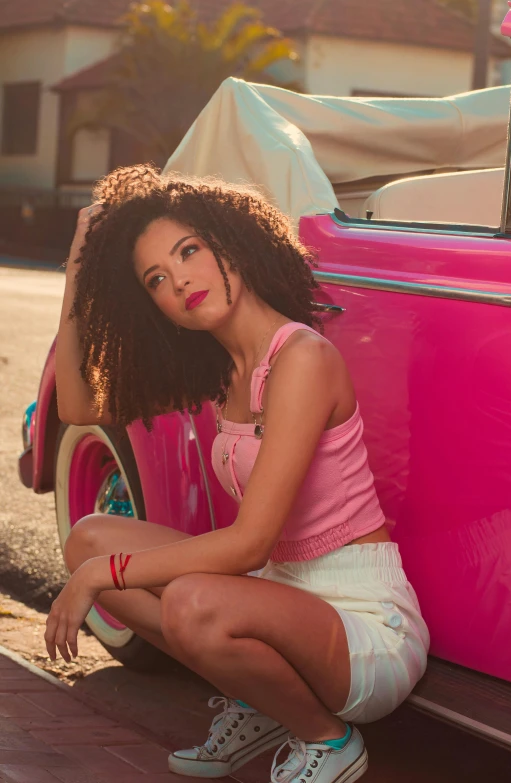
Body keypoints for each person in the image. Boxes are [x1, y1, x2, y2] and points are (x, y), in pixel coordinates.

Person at [46, 164, 430, 783]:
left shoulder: (301, 358)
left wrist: (101, 577)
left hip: (363, 627)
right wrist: (76, 281)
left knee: (189, 600)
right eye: (157, 279)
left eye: (189, 250)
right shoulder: (221, 370)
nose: (181, 281)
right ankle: (263, 701)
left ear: (231, 239)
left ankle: (329, 742)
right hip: (280, 597)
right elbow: (78, 408)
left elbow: (249, 544)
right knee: (89, 535)